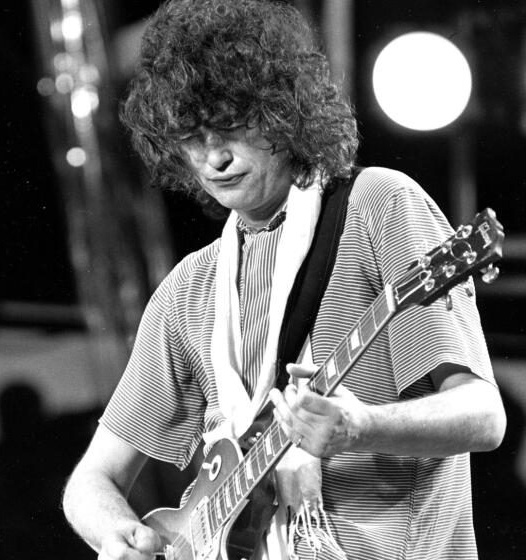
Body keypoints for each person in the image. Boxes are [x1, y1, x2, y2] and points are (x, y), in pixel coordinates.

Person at [62, 1, 506, 559]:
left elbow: (483, 416)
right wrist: (116, 535)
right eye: (192, 137)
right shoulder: (185, 292)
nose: (215, 156)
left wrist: (360, 426)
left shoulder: (378, 206)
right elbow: (90, 483)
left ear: (282, 112)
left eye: (230, 125)